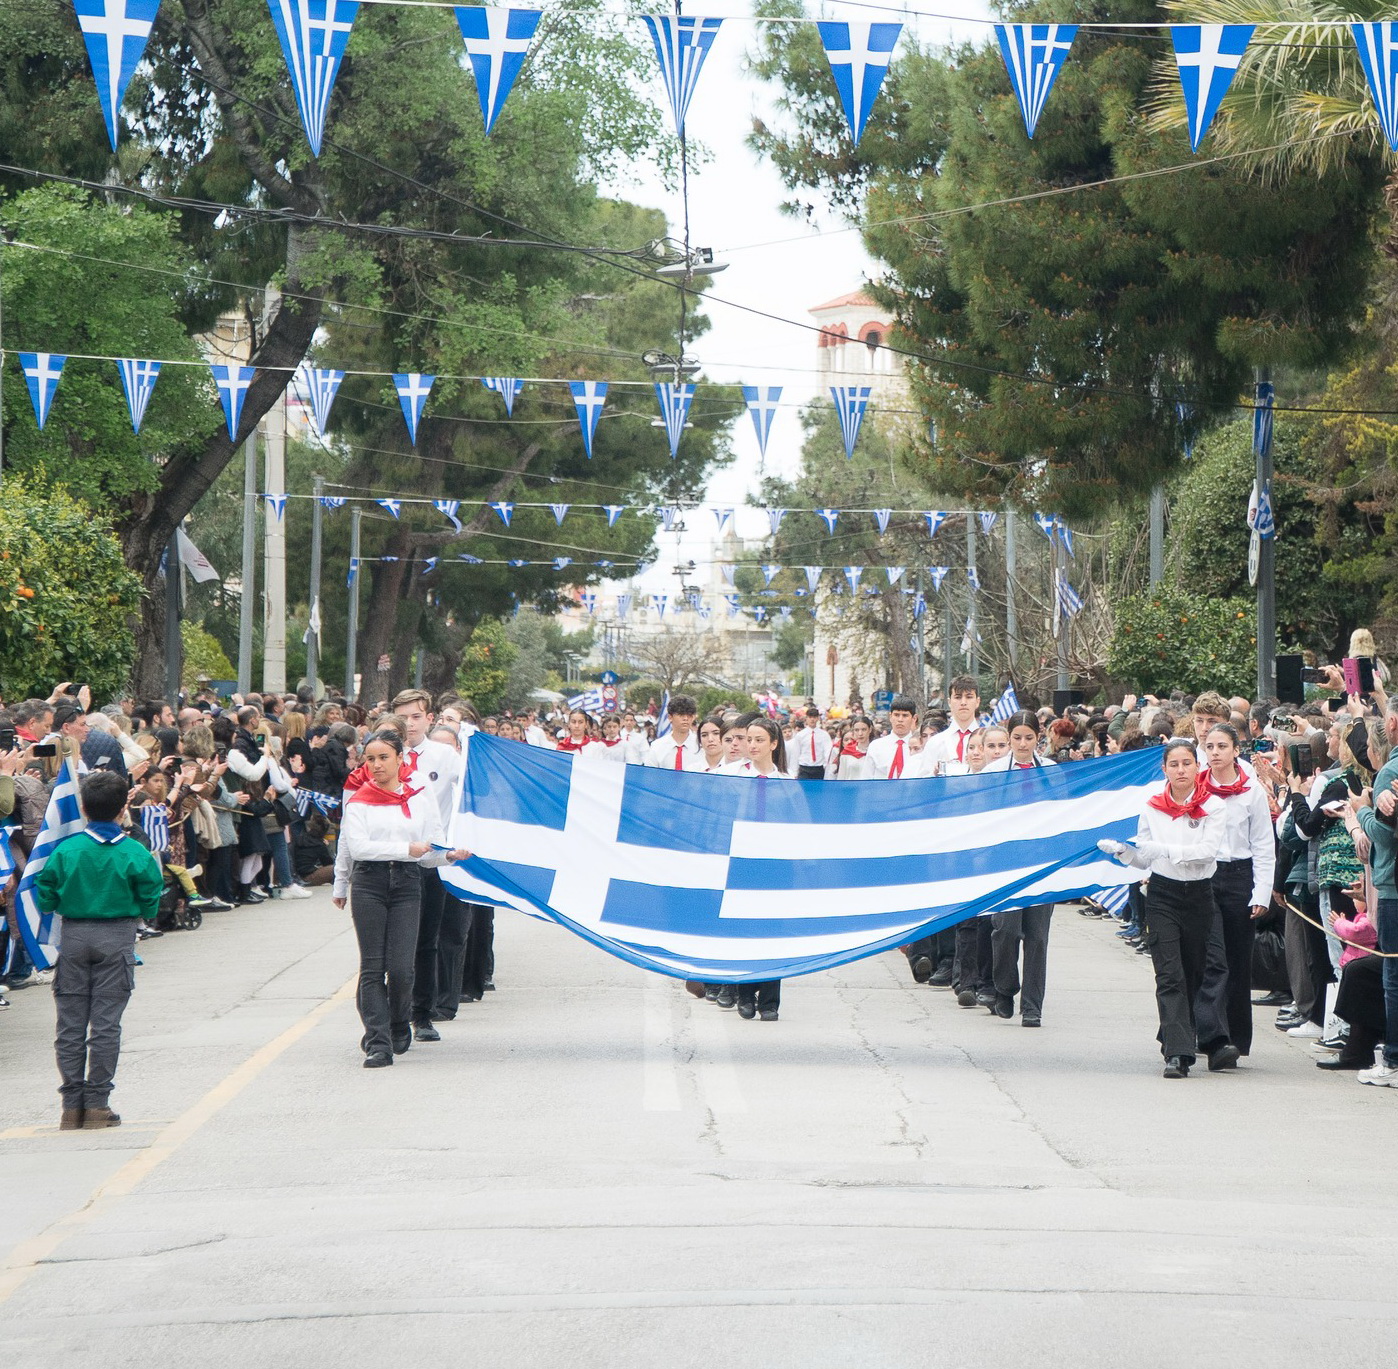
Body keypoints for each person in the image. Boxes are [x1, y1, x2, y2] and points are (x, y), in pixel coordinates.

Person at [332, 731, 469, 1068]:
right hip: (369, 882)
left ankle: (397, 1021)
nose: (376, 765)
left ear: (399, 759)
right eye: (370, 759)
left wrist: (449, 855)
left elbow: (430, 851)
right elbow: (356, 847)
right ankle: (378, 1041)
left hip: (407, 883)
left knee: (402, 969)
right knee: (373, 966)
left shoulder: (420, 796)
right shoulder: (359, 800)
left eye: (383, 758)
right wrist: (340, 884)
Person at [37, 769, 164, 1129]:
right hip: (117, 936)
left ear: (83, 807)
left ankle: (70, 1104)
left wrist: (61, 902)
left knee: (70, 1024)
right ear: (124, 806)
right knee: (106, 1024)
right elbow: (151, 892)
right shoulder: (134, 851)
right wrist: (142, 914)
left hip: (74, 936)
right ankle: (97, 1103)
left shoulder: (67, 849)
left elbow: (45, 890)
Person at [1100, 739, 1225, 1079]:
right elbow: (1144, 856)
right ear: (1164, 769)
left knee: (1193, 971)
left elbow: (1206, 851)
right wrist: (1123, 852)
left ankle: (1176, 1031)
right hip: (1163, 894)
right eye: (1174, 764)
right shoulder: (1152, 807)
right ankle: (1177, 1053)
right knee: (1169, 974)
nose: (1181, 770)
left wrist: (1162, 848)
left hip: (1199, 894)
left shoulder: (1213, 806)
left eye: (1187, 764)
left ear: (1197, 768)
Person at [1194, 723, 1276, 1067]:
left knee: (1239, 961)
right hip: (1205, 876)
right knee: (1213, 959)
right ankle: (1213, 1035)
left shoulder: (1251, 791)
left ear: (1235, 751)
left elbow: (1262, 844)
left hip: (1240, 877)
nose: (1214, 752)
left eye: (1222, 746)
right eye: (1210, 746)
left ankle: (1236, 1039)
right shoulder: (1196, 787)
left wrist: (1262, 892)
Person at [392, 689, 464, 1044]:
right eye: (403, 717)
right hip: (394, 860)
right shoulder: (386, 755)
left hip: (431, 861)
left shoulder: (443, 755)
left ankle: (422, 1013)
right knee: (395, 945)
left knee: (426, 941)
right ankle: (394, 1014)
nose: (410, 724)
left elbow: (471, 788)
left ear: (430, 718)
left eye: (416, 716)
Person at [980, 712, 1055, 1024]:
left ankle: (1033, 1006)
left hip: (1041, 861)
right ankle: (1005, 987)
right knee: (1006, 929)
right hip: (1006, 862)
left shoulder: (1051, 771)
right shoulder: (994, 771)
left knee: (1038, 935)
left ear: (1038, 738)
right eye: (1017, 738)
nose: (1023, 744)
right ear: (1008, 739)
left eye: (1029, 737)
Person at [724, 717, 788, 1021]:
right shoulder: (731, 775)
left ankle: (770, 1000)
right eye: (748, 739)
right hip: (741, 862)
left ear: (773, 744)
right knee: (745, 928)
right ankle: (745, 993)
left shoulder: (787, 782)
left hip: (774, 865)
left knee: (771, 931)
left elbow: (798, 825)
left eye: (759, 740)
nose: (751, 745)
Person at [918, 675, 982, 773]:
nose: (963, 702)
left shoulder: (988, 742)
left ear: (977, 702)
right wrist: (934, 775)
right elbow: (923, 780)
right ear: (949, 702)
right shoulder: (935, 743)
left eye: (969, 697)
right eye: (958, 697)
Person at [866, 696, 921, 780]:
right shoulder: (876, 746)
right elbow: (867, 778)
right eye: (896, 715)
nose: (900, 720)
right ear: (890, 716)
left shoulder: (919, 747)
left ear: (914, 718)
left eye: (905, 716)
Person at [645, 694, 700, 770]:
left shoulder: (701, 746)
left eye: (689, 715)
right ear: (670, 717)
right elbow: (650, 776)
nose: (685, 718)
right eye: (681, 714)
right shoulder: (657, 746)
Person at [791, 707, 831, 780]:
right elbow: (796, 753)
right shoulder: (800, 735)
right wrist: (794, 772)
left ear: (818, 718)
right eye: (810, 717)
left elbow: (828, 752)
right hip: (804, 768)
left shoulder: (824, 735)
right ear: (806, 718)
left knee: (818, 790)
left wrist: (827, 766)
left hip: (818, 768)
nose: (812, 719)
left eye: (814, 717)